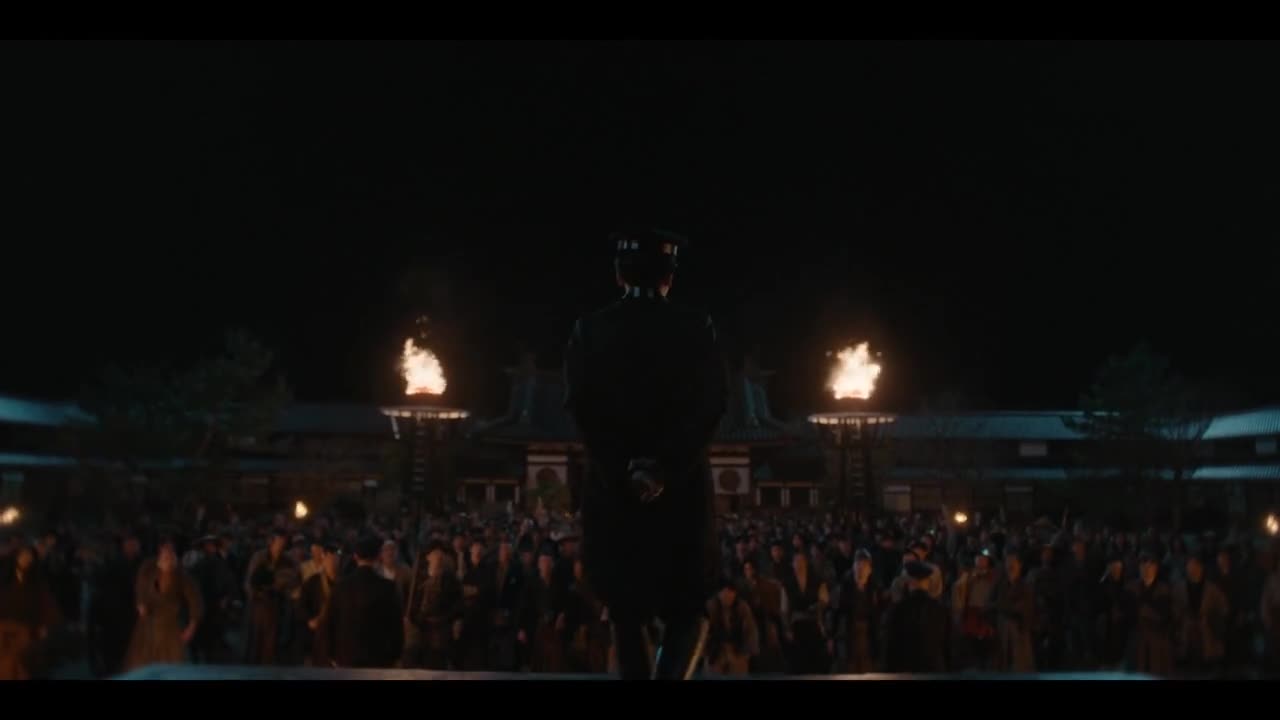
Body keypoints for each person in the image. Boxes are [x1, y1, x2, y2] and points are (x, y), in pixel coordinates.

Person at [563, 227, 727, 680]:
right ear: (669, 277)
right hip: (680, 493)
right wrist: (666, 469)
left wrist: (623, 469)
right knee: (688, 608)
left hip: (615, 493)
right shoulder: (696, 328)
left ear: (619, 275)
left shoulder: (590, 330)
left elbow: (581, 410)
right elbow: (712, 406)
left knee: (624, 608)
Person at [123, 541, 203, 671]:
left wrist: (191, 627)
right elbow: (141, 588)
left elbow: (195, 601)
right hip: (148, 626)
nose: (167, 555)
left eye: (170, 552)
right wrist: (140, 603)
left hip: (171, 626)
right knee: (143, 663)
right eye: (164, 551)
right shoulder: (149, 571)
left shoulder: (182, 576)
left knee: (171, 664)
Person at [328, 535, 403, 669]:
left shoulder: (342, 586)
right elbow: (395, 625)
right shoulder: (387, 587)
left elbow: (331, 620)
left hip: (346, 655)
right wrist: (395, 655)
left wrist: (332, 654)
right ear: (378, 556)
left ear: (356, 556)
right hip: (379, 657)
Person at [0, 545, 61, 680]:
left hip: (25, 627)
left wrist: (43, 625)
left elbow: (45, 603)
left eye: (29, 556)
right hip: (3, 626)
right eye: (23, 555)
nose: (26, 559)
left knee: (22, 663)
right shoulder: (5, 577)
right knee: (4, 664)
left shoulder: (36, 580)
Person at [243, 528, 300, 665]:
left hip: (276, 605)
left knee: (271, 643)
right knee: (255, 641)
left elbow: (292, 580)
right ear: (272, 542)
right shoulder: (259, 557)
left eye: (283, 542)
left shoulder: (288, 561)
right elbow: (249, 580)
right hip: (258, 604)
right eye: (278, 541)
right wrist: (255, 592)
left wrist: (276, 583)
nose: (280, 545)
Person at [882, 560, 947, 672]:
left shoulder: (898, 609)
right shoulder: (939, 609)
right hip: (933, 667)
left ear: (910, 582)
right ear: (928, 582)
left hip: (905, 667)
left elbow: (890, 644)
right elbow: (945, 643)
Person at [407, 541, 462, 670]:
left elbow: (457, 603)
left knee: (437, 661)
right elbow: (413, 602)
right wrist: (416, 618)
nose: (438, 556)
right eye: (434, 553)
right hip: (422, 627)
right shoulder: (419, 578)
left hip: (441, 628)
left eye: (440, 553)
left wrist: (448, 619)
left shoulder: (450, 579)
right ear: (428, 557)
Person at [1172, 554, 1228, 673]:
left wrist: (1209, 617)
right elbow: (1174, 607)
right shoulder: (1179, 588)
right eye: (1190, 566)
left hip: (1205, 627)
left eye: (1195, 566)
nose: (1192, 569)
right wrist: (1182, 616)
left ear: (1201, 568)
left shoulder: (1211, 588)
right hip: (1186, 626)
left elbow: (1223, 607)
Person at [835, 548, 882, 673]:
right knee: (850, 668)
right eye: (858, 564)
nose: (861, 569)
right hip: (849, 633)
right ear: (853, 566)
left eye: (864, 566)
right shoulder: (845, 586)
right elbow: (838, 613)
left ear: (869, 569)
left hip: (868, 633)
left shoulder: (874, 586)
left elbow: (877, 613)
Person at [1130, 552, 1174, 676]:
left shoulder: (1164, 588)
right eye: (1143, 566)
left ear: (1156, 568)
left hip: (1158, 632)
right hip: (1137, 631)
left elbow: (1165, 613)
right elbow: (1130, 610)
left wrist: (1146, 610)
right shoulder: (1131, 587)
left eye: (1150, 566)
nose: (1146, 569)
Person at [299, 544, 341, 667]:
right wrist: (309, 620)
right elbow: (301, 606)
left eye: (335, 559)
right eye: (329, 559)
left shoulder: (344, 583)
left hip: (338, 631)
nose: (332, 563)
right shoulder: (313, 582)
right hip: (317, 632)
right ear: (324, 561)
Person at [993, 553, 1036, 672]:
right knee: (1003, 661)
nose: (1010, 566)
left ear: (1019, 565)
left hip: (1019, 627)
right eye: (1008, 563)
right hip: (1002, 627)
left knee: (1020, 662)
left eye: (1013, 563)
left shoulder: (1025, 585)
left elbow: (1026, 606)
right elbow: (990, 603)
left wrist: (1008, 607)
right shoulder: (999, 585)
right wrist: (1004, 607)